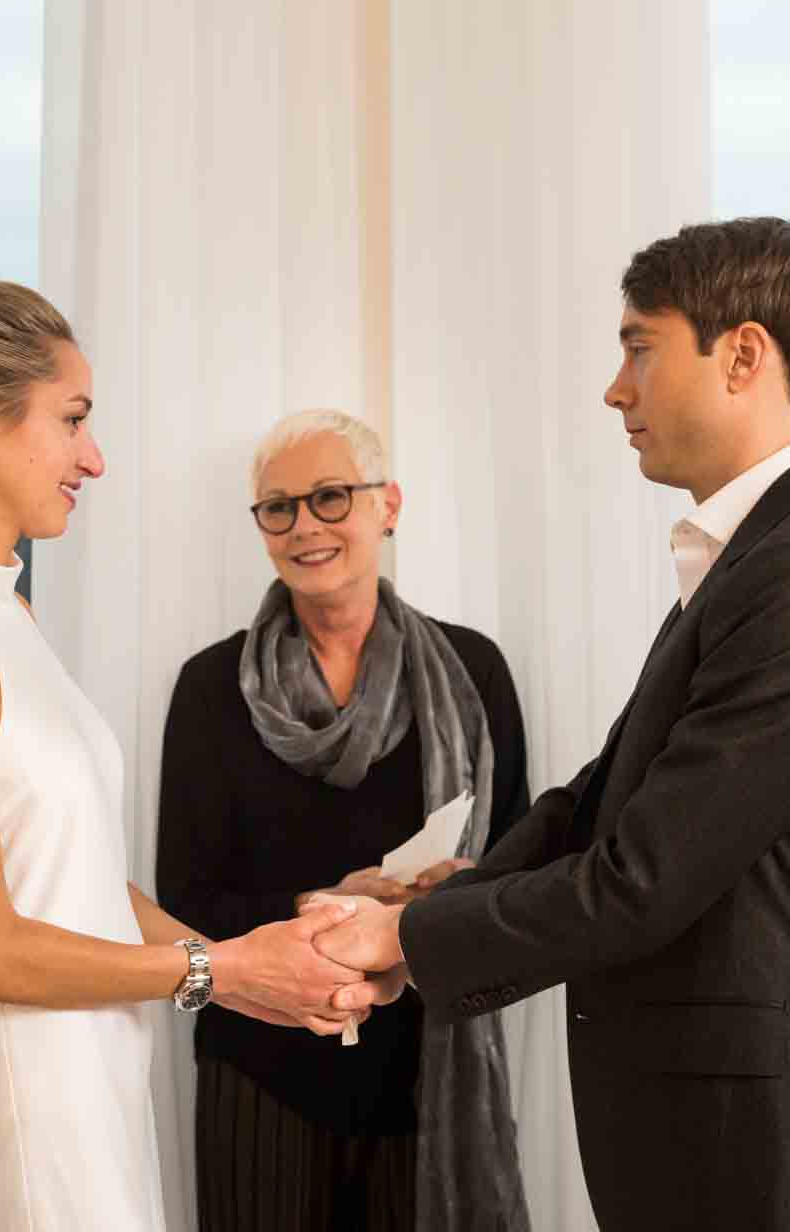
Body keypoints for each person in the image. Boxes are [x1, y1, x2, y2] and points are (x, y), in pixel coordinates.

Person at [320, 219, 790, 1232]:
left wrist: (407, 935)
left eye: (639, 345)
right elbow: (604, 796)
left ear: (741, 355)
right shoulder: (758, 559)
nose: (615, 387)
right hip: (720, 1139)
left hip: (770, 1154)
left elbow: (643, 874)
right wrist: (458, 888)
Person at [0, 281, 367, 1232]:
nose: (92, 459)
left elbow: (78, 885)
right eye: (72, 420)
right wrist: (220, 976)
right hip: (23, 1112)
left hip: (93, 1084)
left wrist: (254, 967)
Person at [156, 408, 532, 1232]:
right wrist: (317, 907)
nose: (304, 527)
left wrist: (450, 892)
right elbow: (181, 900)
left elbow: (519, 875)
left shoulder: (474, 671)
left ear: (386, 506)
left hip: (423, 1069)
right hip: (261, 1068)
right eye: (278, 508)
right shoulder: (210, 688)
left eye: (331, 498)